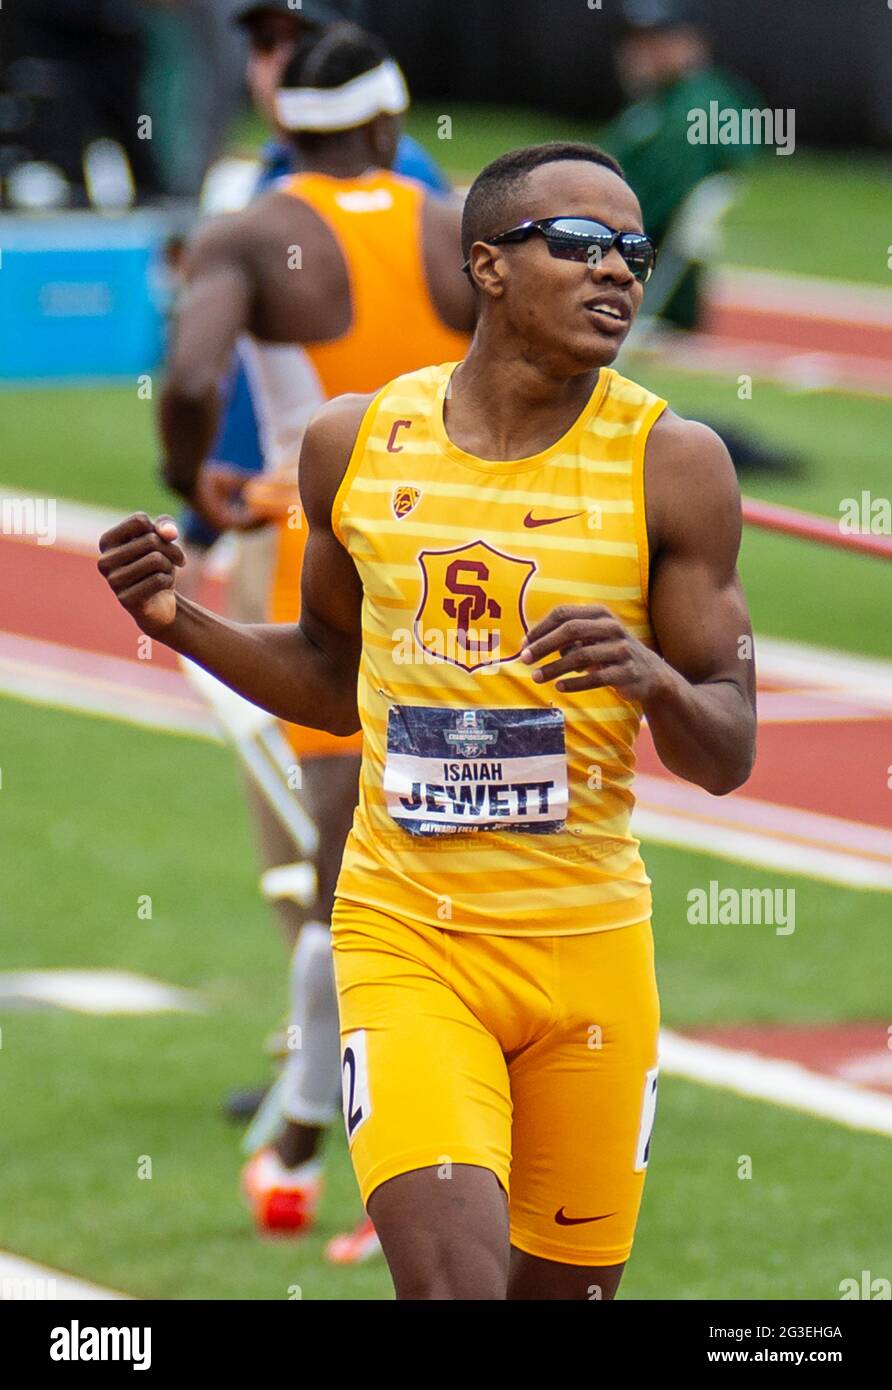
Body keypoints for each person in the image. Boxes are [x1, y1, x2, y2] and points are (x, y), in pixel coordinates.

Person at [98, 140, 756, 1300]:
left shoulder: (674, 462)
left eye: (635, 252)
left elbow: (728, 747)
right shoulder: (353, 443)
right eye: (582, 244)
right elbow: (327, 675)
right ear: (489, 267)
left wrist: (651, 678)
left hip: (590, 951)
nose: (620, 274)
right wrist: (179, 617)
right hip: (409, 935)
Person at [156, 23, 473, 1254]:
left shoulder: (249, 229)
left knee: (350, 868)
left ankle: (311, 1127)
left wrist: (206, 481)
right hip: (473, 565)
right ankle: (331, 1130)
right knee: (477, 843)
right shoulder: (462, 229)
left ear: (289, 125)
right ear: (394, 128)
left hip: (328, 560)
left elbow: (188, 378)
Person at [602, 0, 762, 330]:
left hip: (640, 278)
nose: (638, 52)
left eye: (654, 40)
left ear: (691, 43)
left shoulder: (695, 109)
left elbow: (650, 205)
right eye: (633, 41)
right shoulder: (661, 103)